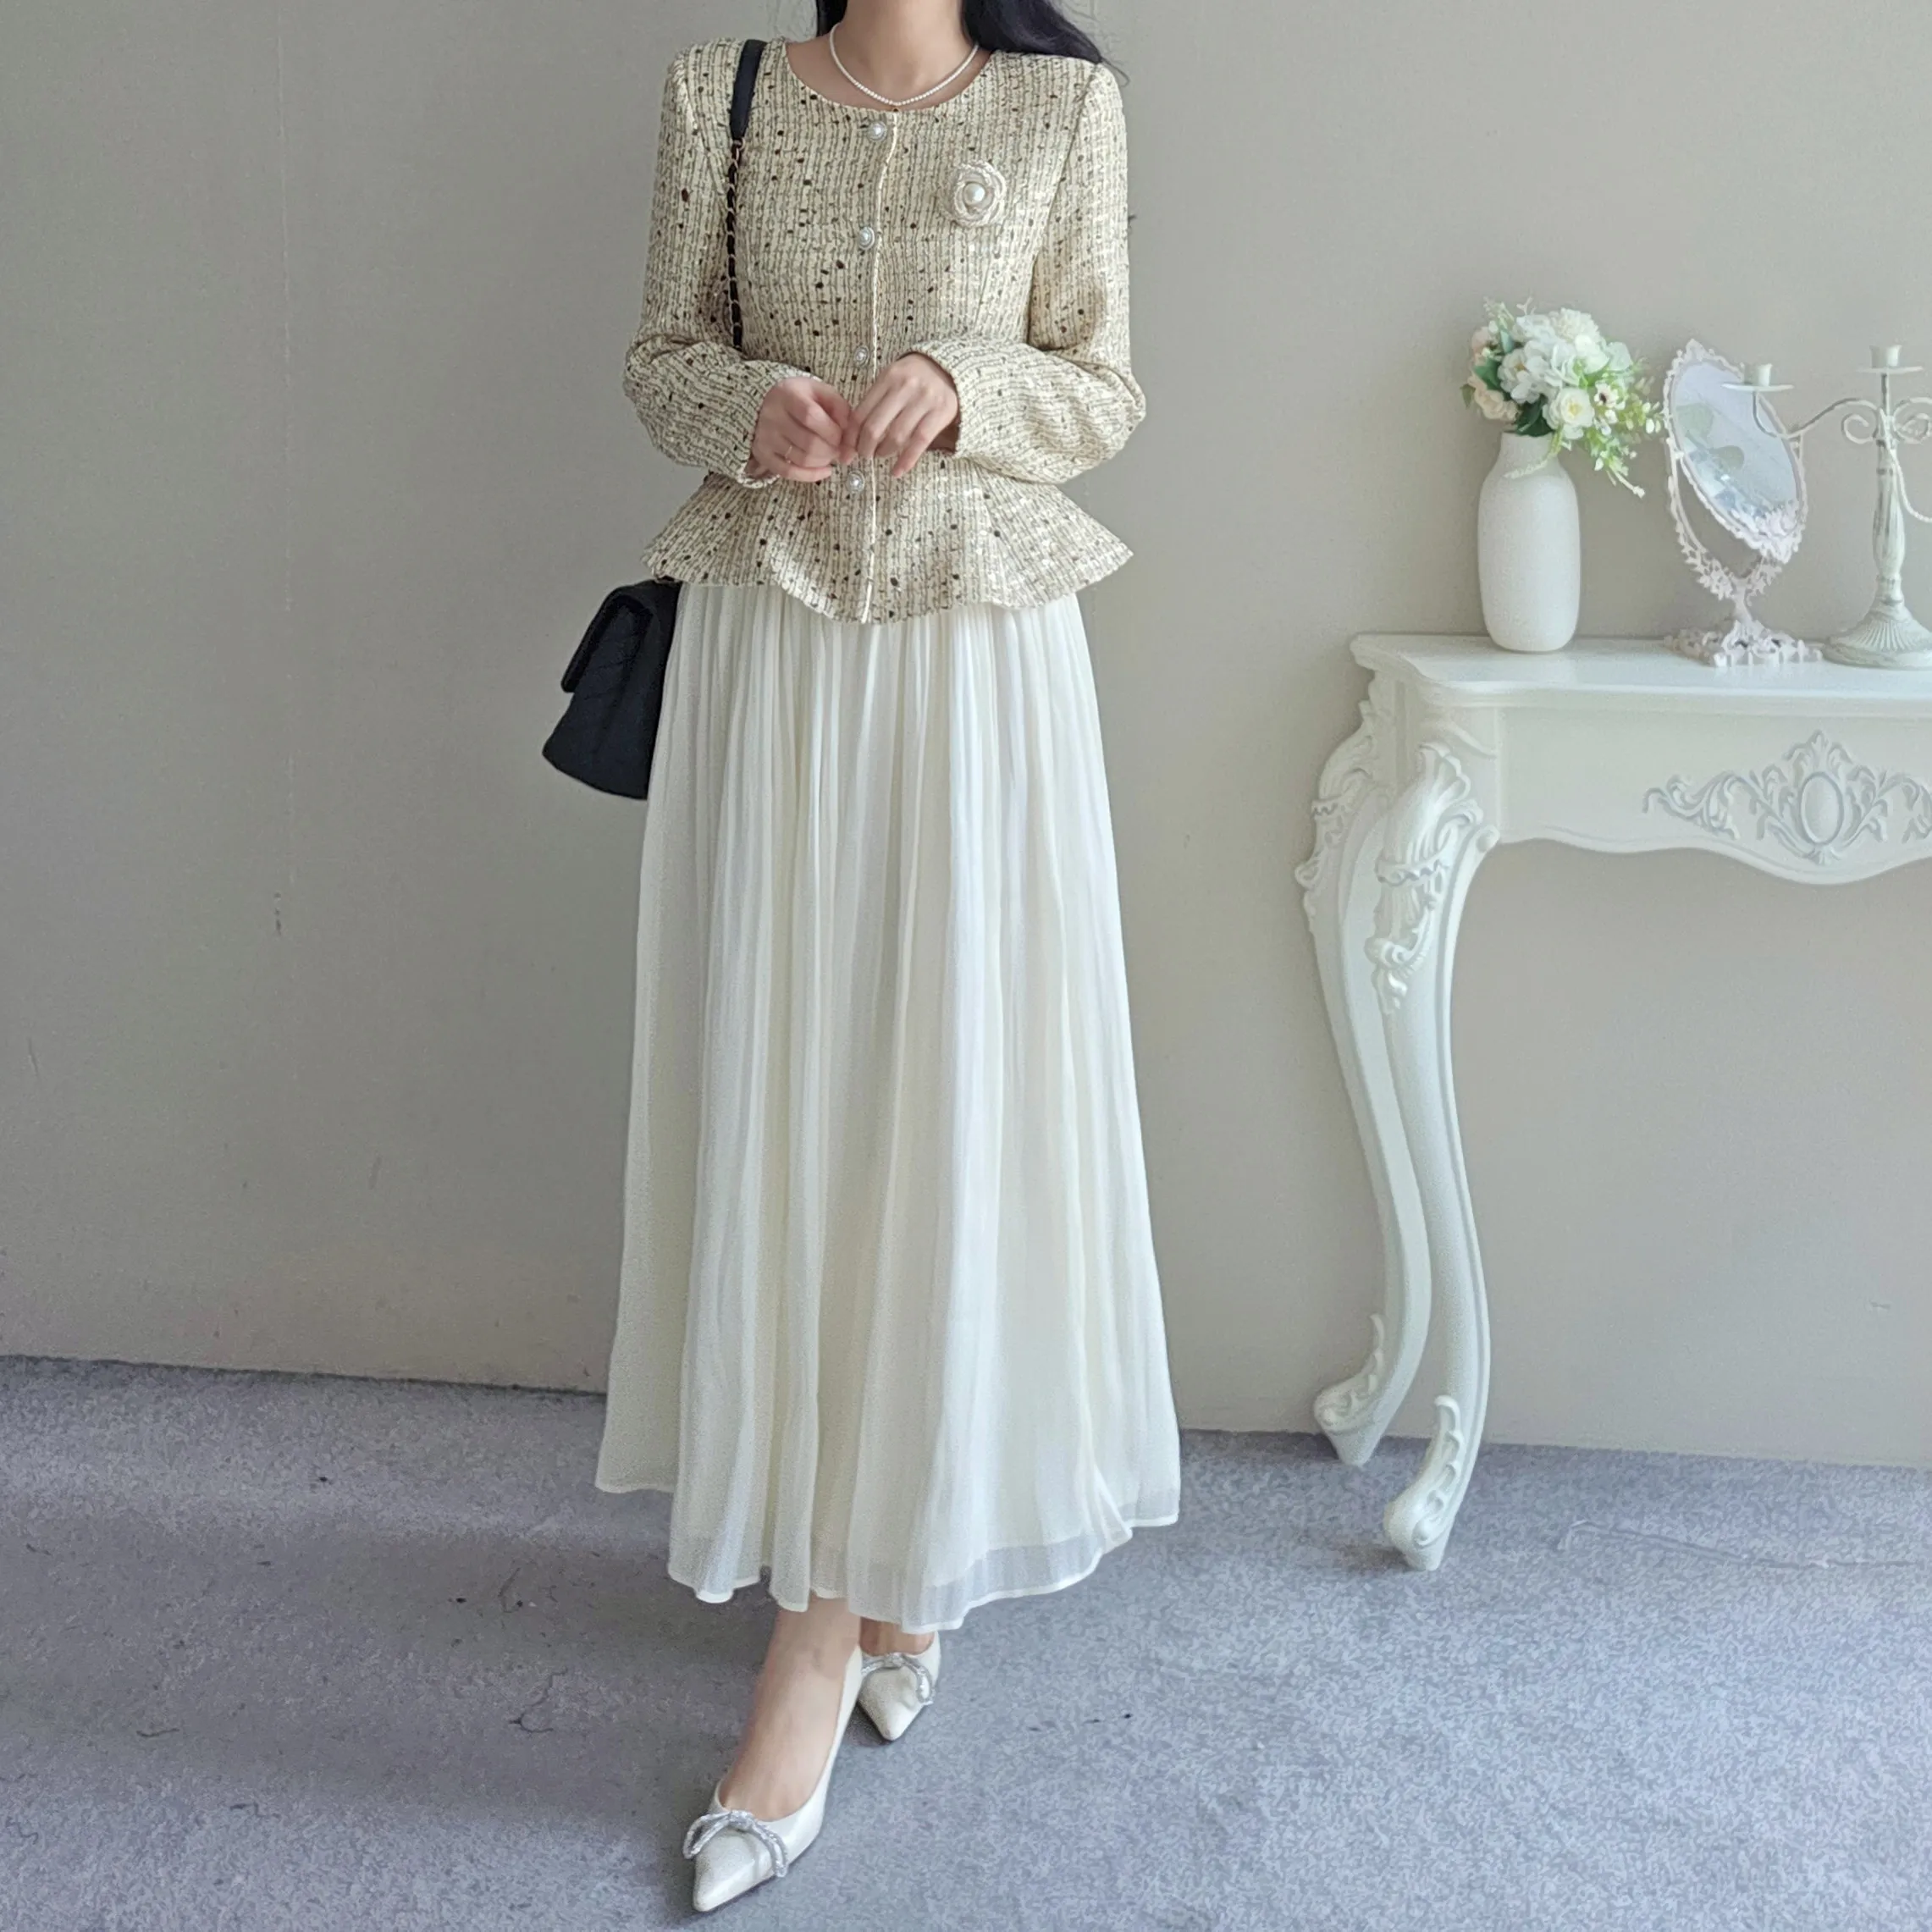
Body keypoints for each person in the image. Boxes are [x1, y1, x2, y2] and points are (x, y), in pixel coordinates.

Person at [591, 0, 1181, 1911]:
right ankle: (869, 1583)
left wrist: (961, 377)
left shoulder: (1065, 107)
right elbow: (661, 354)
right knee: (795, 1099)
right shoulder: (721, 91)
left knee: (948, 1098)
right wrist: (742, 408)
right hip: (770, 646)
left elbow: (1102, 387)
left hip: (975, 659)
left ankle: (832, 1622)